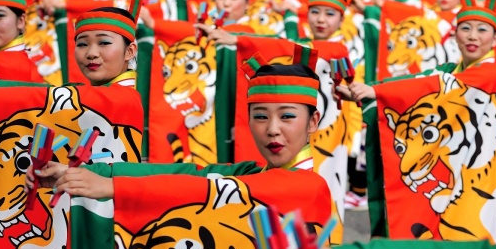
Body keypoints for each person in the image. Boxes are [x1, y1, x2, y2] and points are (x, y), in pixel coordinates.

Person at [33, 59, 327, 199]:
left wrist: (113, 188)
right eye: (260, 116)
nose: (272, 129)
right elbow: (185, 174)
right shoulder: (253, 172)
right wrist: (85, 173)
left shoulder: (308, 187)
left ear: (313, 122)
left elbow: (201, 189)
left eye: (287, 116)